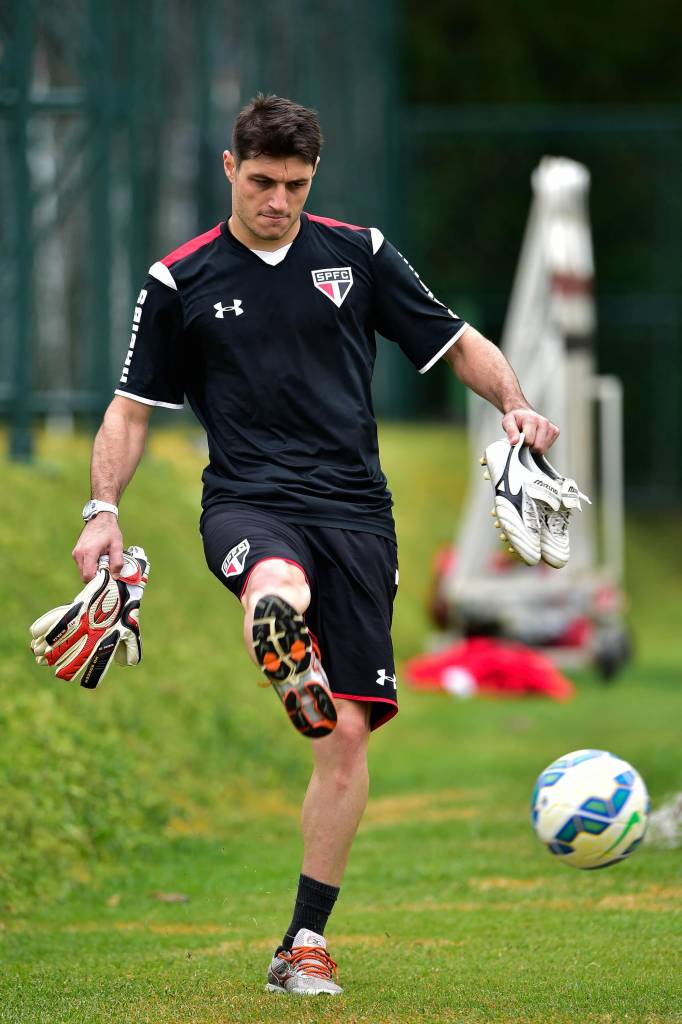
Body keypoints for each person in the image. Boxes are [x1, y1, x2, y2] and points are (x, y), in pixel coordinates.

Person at [72, 94, 559, 996]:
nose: (277, 201)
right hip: (250, 501)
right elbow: (130, 410)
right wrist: (101, 509)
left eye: (295, 185)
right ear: (230, 168)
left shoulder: (359, 254)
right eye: (261, 182)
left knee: (343, 738)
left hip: (360, 516)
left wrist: (516, 404)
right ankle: (277, 629)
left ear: (313, 178)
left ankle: (303, 941)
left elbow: (456, 342)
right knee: (276, 575)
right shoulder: (179, 279)